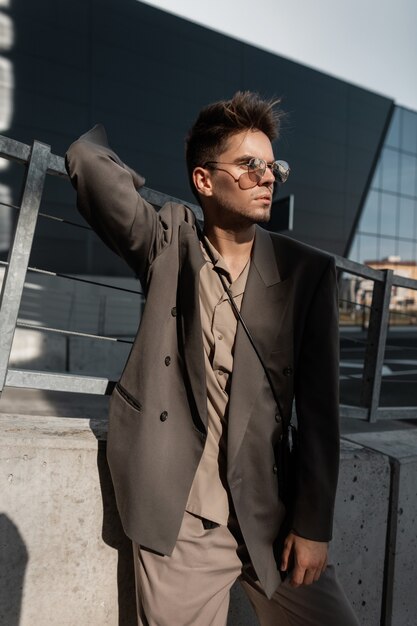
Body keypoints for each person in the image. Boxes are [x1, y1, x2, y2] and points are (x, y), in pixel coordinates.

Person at [65, 91, 359, 626]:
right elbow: (87, 163)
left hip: (271, 517)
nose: (267, 177)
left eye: (273, 166)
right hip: (181, 518)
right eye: (249, 166)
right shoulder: (169, 243)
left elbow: (320, 414)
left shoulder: (305, 272)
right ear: (204, 180)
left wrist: (314, 525)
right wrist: (165, 208)